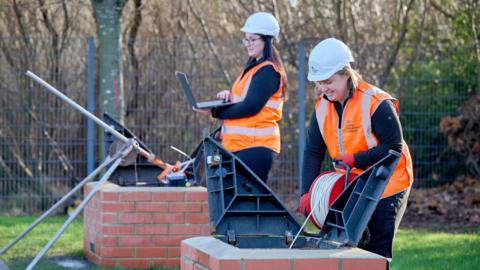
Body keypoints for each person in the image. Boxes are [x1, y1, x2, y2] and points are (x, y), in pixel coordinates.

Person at [298, 38, 413, 269]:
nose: (323, 88)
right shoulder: (322, 106)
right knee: (350, 249)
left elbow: (394, 147)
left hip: (387, 183)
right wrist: (306, 193)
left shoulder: (375, 101)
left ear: (346, 74)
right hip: (352, 183)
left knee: (375, 253)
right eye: (319, 83)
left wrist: (357, 159)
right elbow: (313, 152)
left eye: (328, 81)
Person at [193, 12, 288, 183]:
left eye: (252, 39)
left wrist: (215, 111)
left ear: (266, 40)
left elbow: (250, 106)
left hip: (255, 147)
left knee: (247, 203)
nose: (247, 44)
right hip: (240, 145)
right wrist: (227, 98)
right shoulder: (252, 69)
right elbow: (243, 100)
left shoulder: (268, 71)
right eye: (246, 39)